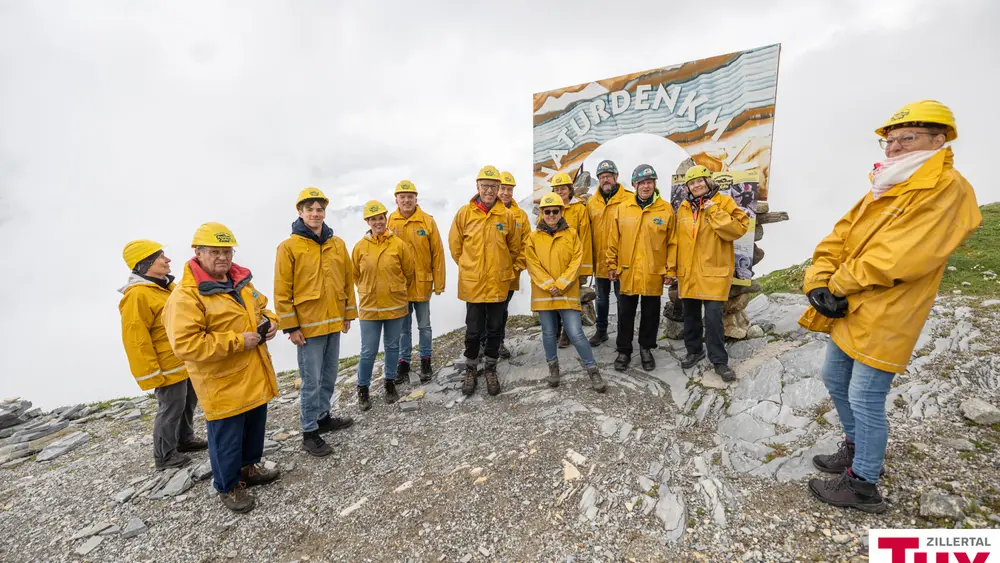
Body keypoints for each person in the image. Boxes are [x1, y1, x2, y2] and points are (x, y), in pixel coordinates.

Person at [799, 100, 980, 513]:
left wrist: (838, 283)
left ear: (940, 139)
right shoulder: (887, 185)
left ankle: (863, 484)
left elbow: (901, 256)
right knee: (833, 375)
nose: (895, 147)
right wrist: (818, 281)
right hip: (851, 305)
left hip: (890, 310)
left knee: (865, 396)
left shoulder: (948, 188)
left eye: (906, 138)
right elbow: (836, 238)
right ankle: (854, 445)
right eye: (890, 140)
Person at [164, 222, 280, 514]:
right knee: (227, 436)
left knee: (254, 424)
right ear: (198, 253)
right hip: (221, 382)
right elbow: (187, 345)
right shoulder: (186, 296)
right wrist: (237, 341)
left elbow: (262, 306)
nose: (223, 258)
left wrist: (271, 322)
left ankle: (249, 469)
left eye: (227, 251)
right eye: (215, 252)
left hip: (253, 372)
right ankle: (228, 485)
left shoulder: (240, 281)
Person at [273, 187, 357, 458]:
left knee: (329, 375)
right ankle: (309, 431)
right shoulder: (289, 247)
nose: (315, 214)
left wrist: (348, 313)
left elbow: (347, 280)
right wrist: (291, 326)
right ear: (300, 212)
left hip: (334, 323)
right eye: (309, 209)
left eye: (319, 209)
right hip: (308, 327)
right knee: (311, 380)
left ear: (324, 212)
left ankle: (323, 416)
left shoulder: (337, 243)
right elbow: (282, 289)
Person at [119, 240, 207, 470]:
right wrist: (149, 373)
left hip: (183, 359)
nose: (167, 260)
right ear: (145, 263)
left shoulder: (166, 287)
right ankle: (164, 456)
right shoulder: (137, 295)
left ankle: (185, 440)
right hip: (166, 365)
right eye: (161, 257)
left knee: (188, 401)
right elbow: (136, 338)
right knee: (171, 407)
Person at [668, 165, 750, 382]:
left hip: (713, 272)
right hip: (689, 273)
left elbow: (738, 229)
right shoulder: (684, 208)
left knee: (713, 318)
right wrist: (672, 268)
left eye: (700, 181)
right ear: (687, 187)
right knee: (690, 316)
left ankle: (719, 361)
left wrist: (713, 210)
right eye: (691, 183)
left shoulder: (724, 202)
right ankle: (694, 351)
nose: (696, 185)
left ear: (708, 181)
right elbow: (676, 241)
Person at [448, 165, 523, 396]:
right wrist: (471, 266)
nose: (489, 190)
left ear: (499, 188)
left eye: (493, 186)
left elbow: (514, 248)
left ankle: (490, 367)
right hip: (473, 283)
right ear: (478, 187)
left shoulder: (507, 216)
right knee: (472, 330)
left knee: (495, 328)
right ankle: (471, 368)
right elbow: (455, 246)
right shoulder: (464, 213)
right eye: (485, 186)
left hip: (498, 282)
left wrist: (499, 267)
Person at [525, 194, 606, 392]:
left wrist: (559, 284)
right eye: (547, 211)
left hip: (566, 291)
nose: (551, 215)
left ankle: (592, 369)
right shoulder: (533, 238)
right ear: (542, 213)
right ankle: (553, 368)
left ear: (562, 212)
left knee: (576, 333)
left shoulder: (571, 235)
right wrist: (548, 284)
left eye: (555, 211)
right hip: (545, 293)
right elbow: (532, 264)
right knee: (549, 333)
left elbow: (576, 262)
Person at [607, 164, 674, 372]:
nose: (646, 186)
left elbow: (673, 242)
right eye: (642, 182)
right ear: (635, 184)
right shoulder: (623, 208)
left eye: (650, 182)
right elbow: (613, 239)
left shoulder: (666, 209)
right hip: (627, 271)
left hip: (654, 272)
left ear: (655, 184)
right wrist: (611, 263)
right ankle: (624, 351)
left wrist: (670, 269)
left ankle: (646, 348)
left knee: (650, 313)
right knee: (625, 313)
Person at [352, 200, 416, 410]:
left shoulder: (398, 244)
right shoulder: (360, 247)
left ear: (385, 219)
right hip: (370, 307)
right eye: (373, 219)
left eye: (381, 218)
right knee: (368, 351)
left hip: (395, 305)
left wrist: (394, 287)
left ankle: (389, 383)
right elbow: (354, 275)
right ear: (367, 221)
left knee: (392, 347)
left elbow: (409, 272)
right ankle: (363, 388)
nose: (378, 222)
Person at [388, 180, 446, 383]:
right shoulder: (390, 222)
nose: (406, 200)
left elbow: (437, 253)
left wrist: (439, 282)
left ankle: (426, 360)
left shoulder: (427, 221)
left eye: (410, 197)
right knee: (403, 328)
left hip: (422, 283)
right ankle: (403, 363)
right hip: (399, 286)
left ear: (416, 199)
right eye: (402, 197)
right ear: (396, 199)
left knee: (424, 326)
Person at [585, 159, 631, 347]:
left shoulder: (629, 199)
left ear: (616, 177)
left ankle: (623, 332)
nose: (606, 180)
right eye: (602, 177)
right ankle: (601, 331)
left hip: (622, 261)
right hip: (600, 261)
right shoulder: (591, 203)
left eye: (609, 176)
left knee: (623, 300)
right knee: (602, 299)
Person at [485, 170, 529, 360]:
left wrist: (518, 266)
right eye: (503, 188)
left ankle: (498, 342)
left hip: (510, 273)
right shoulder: (488, 212)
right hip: (487, 272)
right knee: (484, 309)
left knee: (502, 309)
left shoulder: (521, 215)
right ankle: (482, 343)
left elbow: (527, 243)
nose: (506, 193)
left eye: (509, 189)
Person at [550, 171, 593, 348]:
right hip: (553, 263)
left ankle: (567, 334)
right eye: (557, 188)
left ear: (570, 189)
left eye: (563, 188)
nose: (560, 192)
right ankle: (556, 330)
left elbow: (585, 238)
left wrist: (584, 267)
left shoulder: (579, 209)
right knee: (554, 298)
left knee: (570, 300)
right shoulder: (549, 207)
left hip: (573, 265)